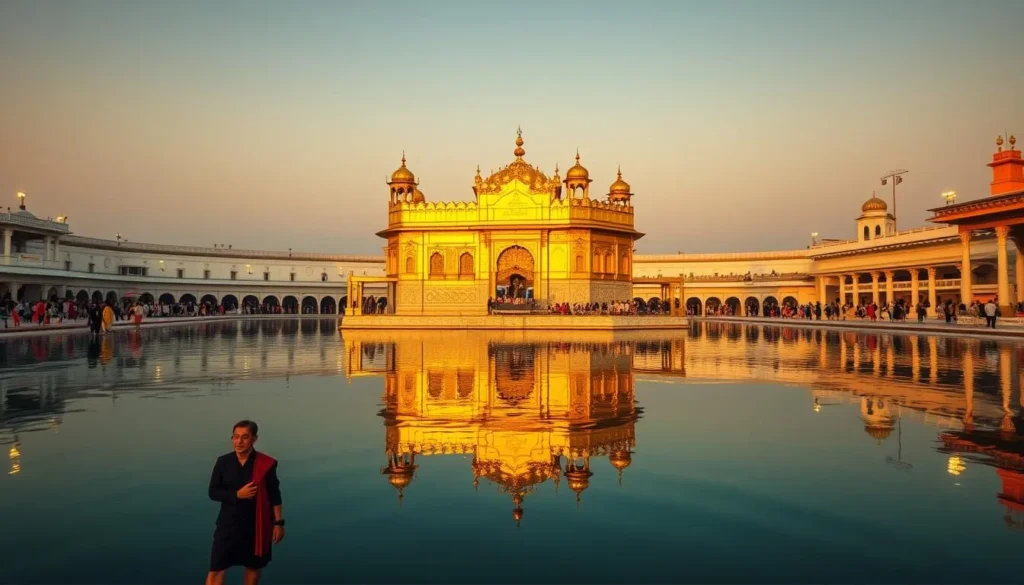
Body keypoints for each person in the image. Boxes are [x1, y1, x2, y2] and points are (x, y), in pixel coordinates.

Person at [207, 420, 284, 585]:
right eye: (235, 437)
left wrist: (278, 523)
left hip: (257, 525)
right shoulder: (223, 462)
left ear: (254, 439)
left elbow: (274, 494)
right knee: (217, 568)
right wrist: (236, 494)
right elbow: (213, 492)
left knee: (253, 566)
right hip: (228, 524)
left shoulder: (265, 464)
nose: (239, 442)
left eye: (244, 437)